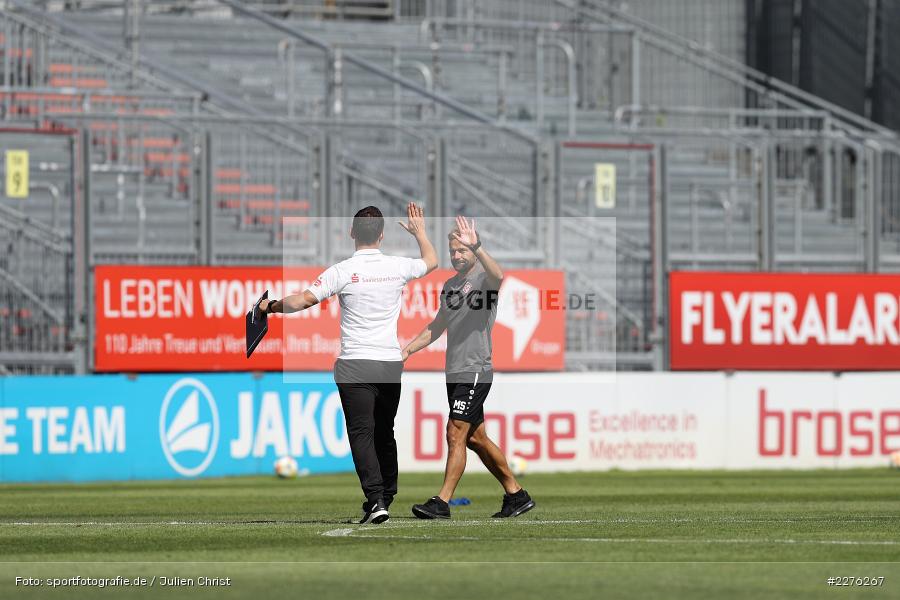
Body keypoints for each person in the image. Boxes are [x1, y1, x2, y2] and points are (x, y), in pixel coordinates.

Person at [260, 203, 437, 524]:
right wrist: (420, 233)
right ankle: (386, 495)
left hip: (355, 363)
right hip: (389, 362)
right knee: (385, 432)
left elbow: (303, 300)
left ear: (352, 232)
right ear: (382, 235)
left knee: (361, 432)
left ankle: (376, 499)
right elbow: (432, 261)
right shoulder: (397, 266)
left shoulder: (342, 270)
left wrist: (269, 306)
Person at [402, 216, 535, 519]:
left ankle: (442, 502)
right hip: (455, 371)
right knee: (475, 438)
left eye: (462, 250)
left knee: (455, 432)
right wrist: (407, 349)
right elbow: (437, 326)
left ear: (472, 251)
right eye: (453, 251)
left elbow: (500, 276)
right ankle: (516, 494)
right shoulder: (450, 286)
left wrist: (479, 247)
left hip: (476, 369)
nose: (457, 255)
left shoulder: (484, 280)